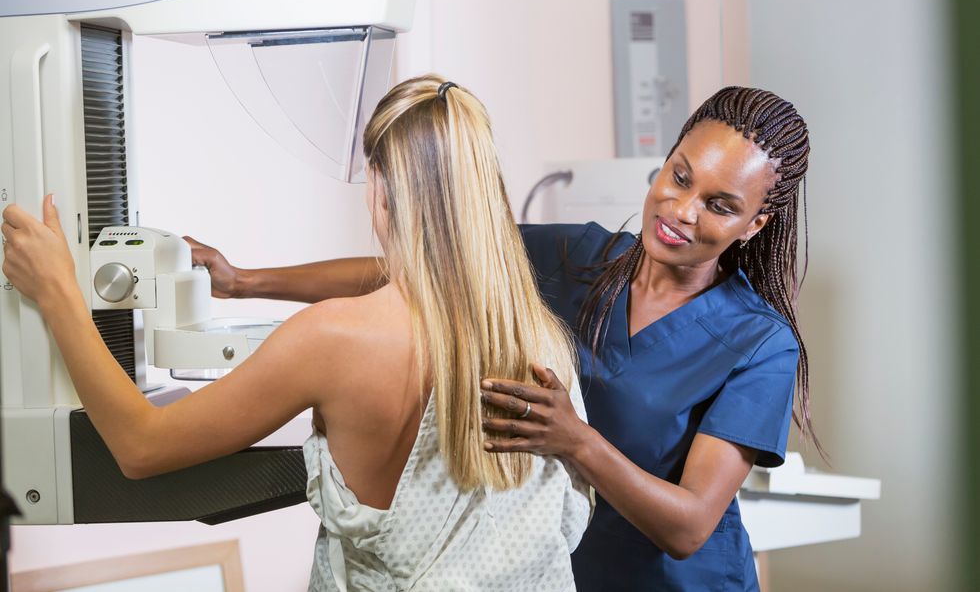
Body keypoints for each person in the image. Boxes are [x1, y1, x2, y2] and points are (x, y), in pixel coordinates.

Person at [184, 86, 814, 591]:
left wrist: (576, 441)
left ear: (754, 224)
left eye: (720, 205)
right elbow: (418, 268)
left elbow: (689, 526)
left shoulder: (760, 342)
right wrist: (245, 281)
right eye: (679, 177)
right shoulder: (580, 257)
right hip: (567, 573)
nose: (682, 210)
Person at [1, 75, 592, 591]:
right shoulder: (541, 342)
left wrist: (58, 293)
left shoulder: (333, 340)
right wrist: (244, 281)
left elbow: (141, 447)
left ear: (379, 187)